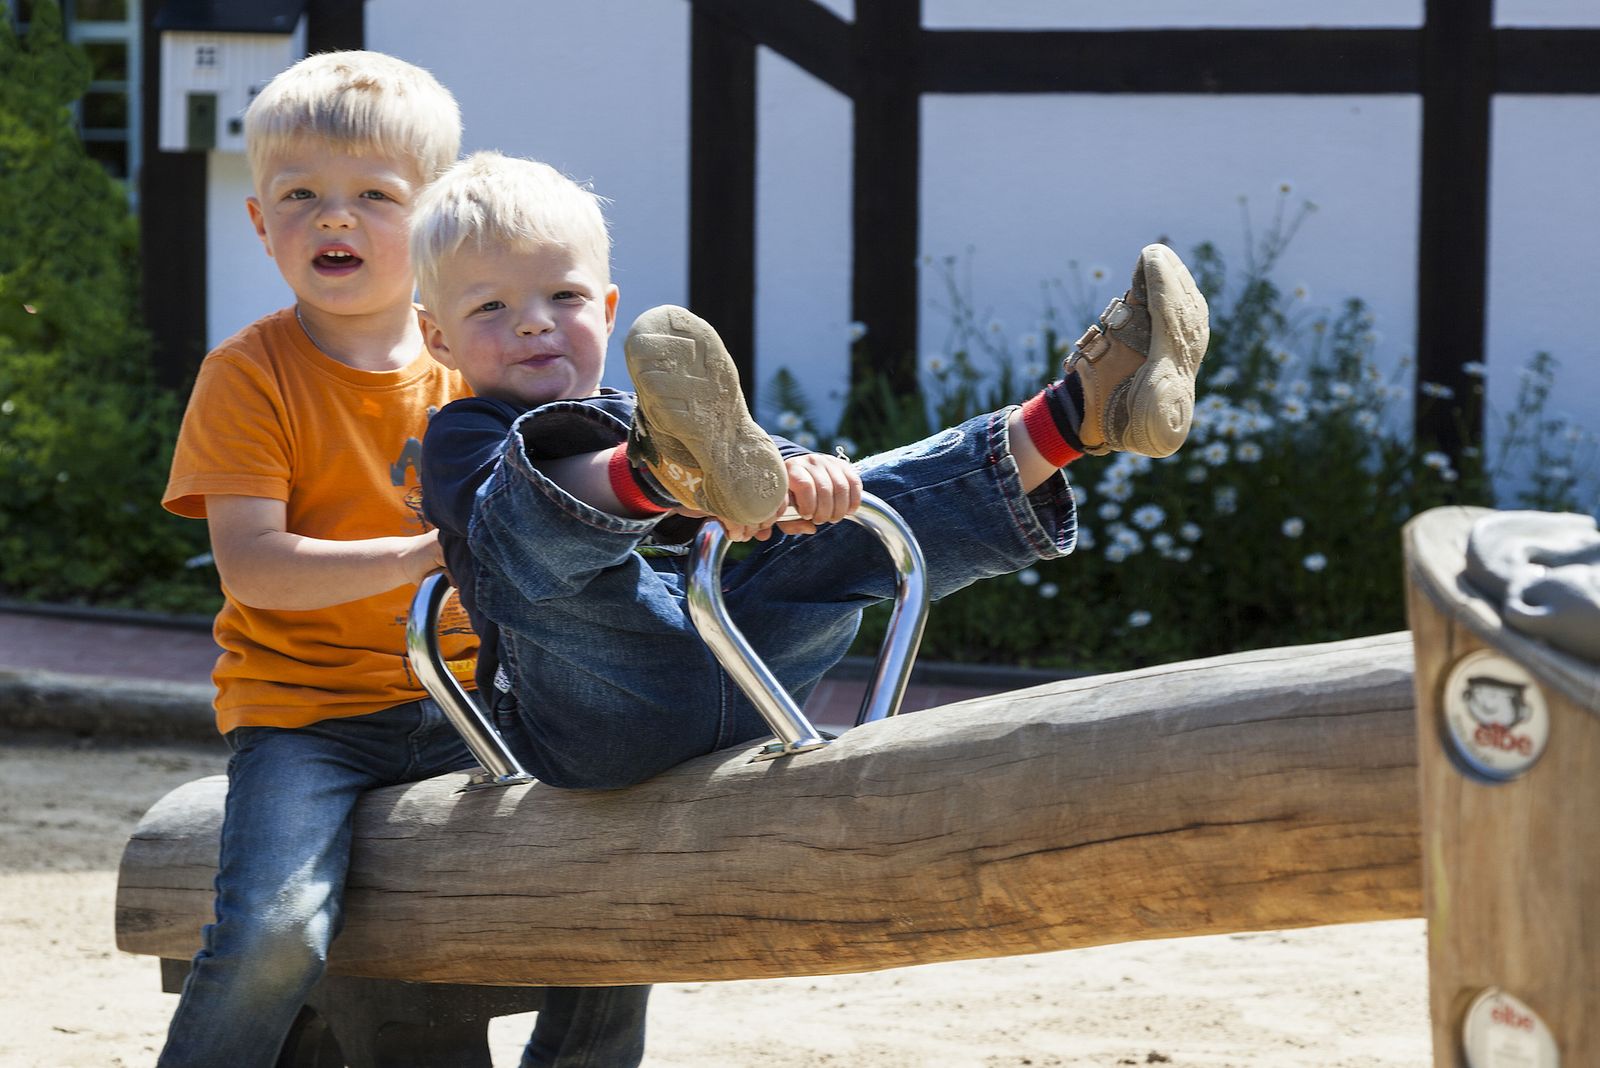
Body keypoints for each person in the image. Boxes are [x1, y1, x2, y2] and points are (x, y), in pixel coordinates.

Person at [414, 151, 1210, 791]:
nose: (532, 321)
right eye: (490, 308)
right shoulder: (461, 431)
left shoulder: (654, 401)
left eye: (564, 294)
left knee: (854, 517)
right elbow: (506, 528)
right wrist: (668, 481)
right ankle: (655, 474)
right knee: (522, 532)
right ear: (438, 339)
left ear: (610, 307)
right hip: (600, 711)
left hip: (756, 665)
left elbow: (767, 474)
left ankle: (1082, 415)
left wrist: (802, 480)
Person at [159, 55, 647, 1068]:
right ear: (261, 223)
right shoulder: (248, 376)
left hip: (480, 700)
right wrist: (431, 549)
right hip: (307, 719)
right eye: (301, 197)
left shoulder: (479, 358)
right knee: (275, 932)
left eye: (373, 196)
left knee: (618, 870)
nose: (333, 221)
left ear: (431, 220)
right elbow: (254, 569)